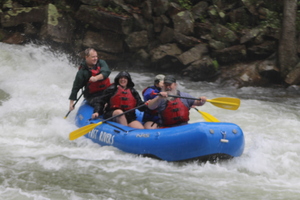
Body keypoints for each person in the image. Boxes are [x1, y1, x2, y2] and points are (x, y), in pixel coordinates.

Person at [68, 48, 111, 112]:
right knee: (101, 102)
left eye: (96, 56)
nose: (96, 58)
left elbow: (106, 72)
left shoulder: (101, 62)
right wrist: (71, 103)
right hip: (92, 95)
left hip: (106, 91)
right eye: (93, 57)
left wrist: (96, 78)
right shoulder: (82, 72)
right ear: (87, 57)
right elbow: (76, 87)